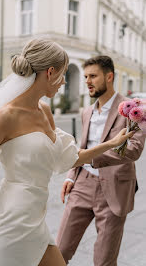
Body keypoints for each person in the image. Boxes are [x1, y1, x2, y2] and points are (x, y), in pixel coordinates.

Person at [0, 40, 133, 266]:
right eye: (63, 74)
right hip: (8, 226)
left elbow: (70, 156)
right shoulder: (4, 117)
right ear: (50, 72)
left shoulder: (44, 110)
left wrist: (112, 143)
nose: (64, 82)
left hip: (36, 224)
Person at [56, 56, 145, 266]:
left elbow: (134, 150)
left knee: (104, 260)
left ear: (109, 77)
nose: (87, 81)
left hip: (114, 189)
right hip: (82, 184)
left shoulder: (134, 111)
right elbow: (82, 145)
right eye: (85, 76)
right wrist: (71, 176)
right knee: (58, 251)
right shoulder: (86, 112)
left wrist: (92, 157)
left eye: (93, 76)